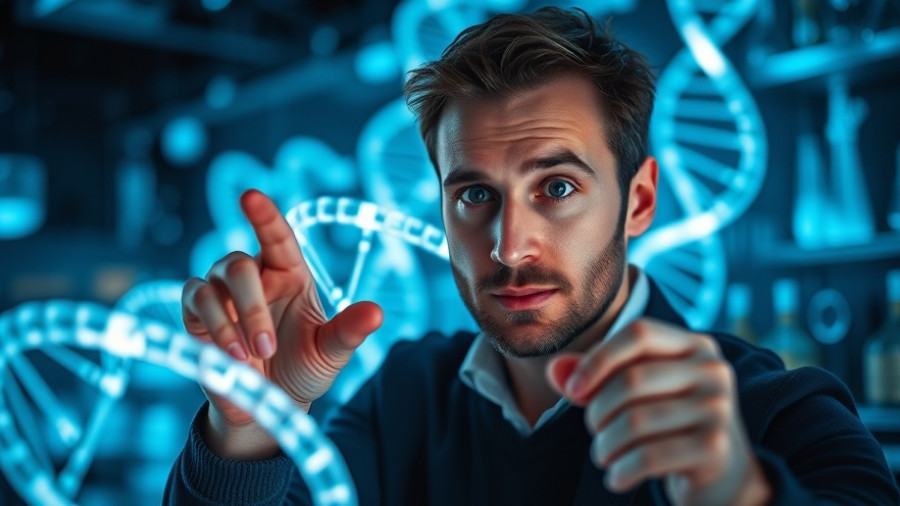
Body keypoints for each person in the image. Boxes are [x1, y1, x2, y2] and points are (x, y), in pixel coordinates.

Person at [165, 7, 900, 505]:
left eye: (555, 186)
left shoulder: (771, 410)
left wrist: (741, 490)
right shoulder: (408, 395)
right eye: (475, 196)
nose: (508, 246)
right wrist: (250, 425)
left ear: (639, 201)